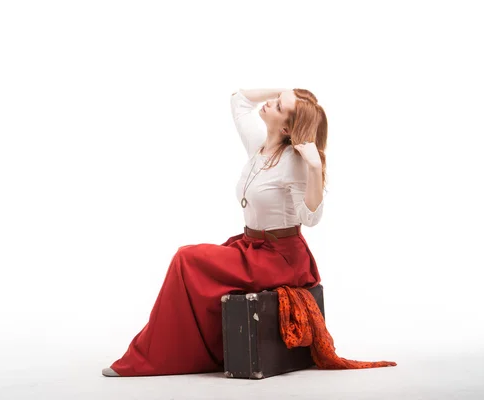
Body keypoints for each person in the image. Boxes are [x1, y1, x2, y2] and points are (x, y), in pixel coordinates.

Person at [102, 88, 329, 377]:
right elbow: (240, 100)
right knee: (197, 272)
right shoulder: (260, 146)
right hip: (251, 248)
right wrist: (284, 90)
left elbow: (310, 217)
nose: (269, 103)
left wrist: (314, 167)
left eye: (278, 105)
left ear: (286, 127)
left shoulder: (295, 162)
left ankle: (152, 357)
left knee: (187, 258)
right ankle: (182, 352)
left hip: (279, 259)